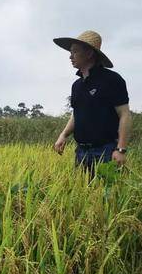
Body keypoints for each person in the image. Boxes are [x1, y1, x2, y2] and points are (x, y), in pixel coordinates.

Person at [52, 30, 132, 178]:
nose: (70, 56)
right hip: (81, 151)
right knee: (84, 195)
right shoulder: (77, 85)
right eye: (70, 52)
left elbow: (125, 114)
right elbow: (77, 114)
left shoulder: (112, 80)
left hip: (106, 151)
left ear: (89, 54)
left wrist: (121, 149)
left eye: (75, 52)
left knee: (106, 197)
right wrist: (63, 135)